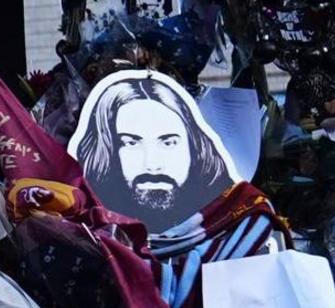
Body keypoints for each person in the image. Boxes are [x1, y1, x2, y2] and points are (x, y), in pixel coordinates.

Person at [67, 69, 235, 237]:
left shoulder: (235, 213)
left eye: (168, 142)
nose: (152, 165)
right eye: (131, 143)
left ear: (196, 146)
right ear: (107, 150)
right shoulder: (84, 219)